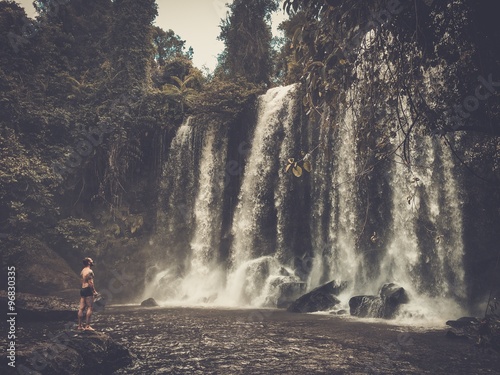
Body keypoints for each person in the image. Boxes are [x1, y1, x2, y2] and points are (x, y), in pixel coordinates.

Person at [77, 257, 98, 331]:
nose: (92, 261)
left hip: (82, 289)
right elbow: (91, 283)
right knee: (90, 307)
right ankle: (87, 326)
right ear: (89, 262)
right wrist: (94, 292)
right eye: (91, 260)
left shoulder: (82, 271)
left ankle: (79, 326)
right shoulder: (90, 271)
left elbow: (81, 280)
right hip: (88, 290)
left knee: (81, 308)